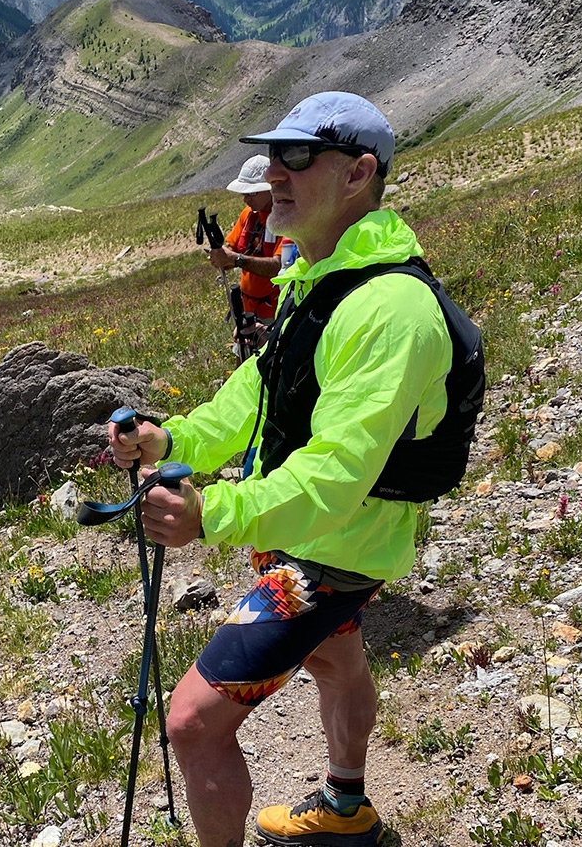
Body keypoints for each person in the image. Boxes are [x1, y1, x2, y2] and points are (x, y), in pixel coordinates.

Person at [110, 91, 454, 847]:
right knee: (334, 659)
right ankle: (345, 808)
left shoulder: (390, 308)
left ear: (361, 173)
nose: (274, 173)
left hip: (333, 544)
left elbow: (335, 477)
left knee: (194, 723)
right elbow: (256, 398)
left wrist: (211, 515)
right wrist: (173, 441)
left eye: (299, 157)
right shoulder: (322, 278)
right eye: (274, 156)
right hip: (317, 530)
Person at [206, 154, 285, 327]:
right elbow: (232, 249)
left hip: (275, 313)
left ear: (270, 188)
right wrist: (222, 257)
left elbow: (277, 266)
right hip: (246, 308)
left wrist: (235, 260)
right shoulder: (248, 214)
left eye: (251, 193)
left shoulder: (286, 219)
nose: (245, 199)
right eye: (244, 193)